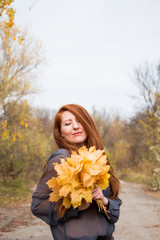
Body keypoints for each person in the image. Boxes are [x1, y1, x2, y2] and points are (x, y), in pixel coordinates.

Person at [31, 104, 122, 240]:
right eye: (68, 123)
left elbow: (114, 215)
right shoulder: (60, 159)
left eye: (79, 120)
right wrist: (75, 207)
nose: (75, 126)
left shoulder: (97, 158)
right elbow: (38, 206)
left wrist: (104, 200)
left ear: (87, 124)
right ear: (60, 132)